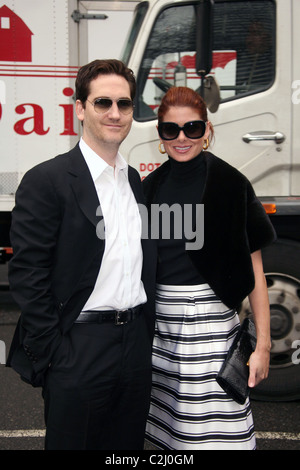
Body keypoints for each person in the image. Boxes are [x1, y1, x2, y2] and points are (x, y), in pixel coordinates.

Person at [6, 59, 156, 450]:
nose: (115, 113)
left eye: (124, 104)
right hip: (79, 347)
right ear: (79, 108)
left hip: (135, 347)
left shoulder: (133, 180)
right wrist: (56, 351)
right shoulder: (47, 179)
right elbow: (27, 272)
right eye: (103, 102)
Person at [142, 86, 276, 450]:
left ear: (207, 130)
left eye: (193, 128)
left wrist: (262, 344)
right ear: (160, 135)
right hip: (162, 335)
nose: (182, 138)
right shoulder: (149, 189)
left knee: (218, 440)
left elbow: (256, 275)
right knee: (170, 440)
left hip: (214, 333)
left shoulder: (231, 184)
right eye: (171, 130)